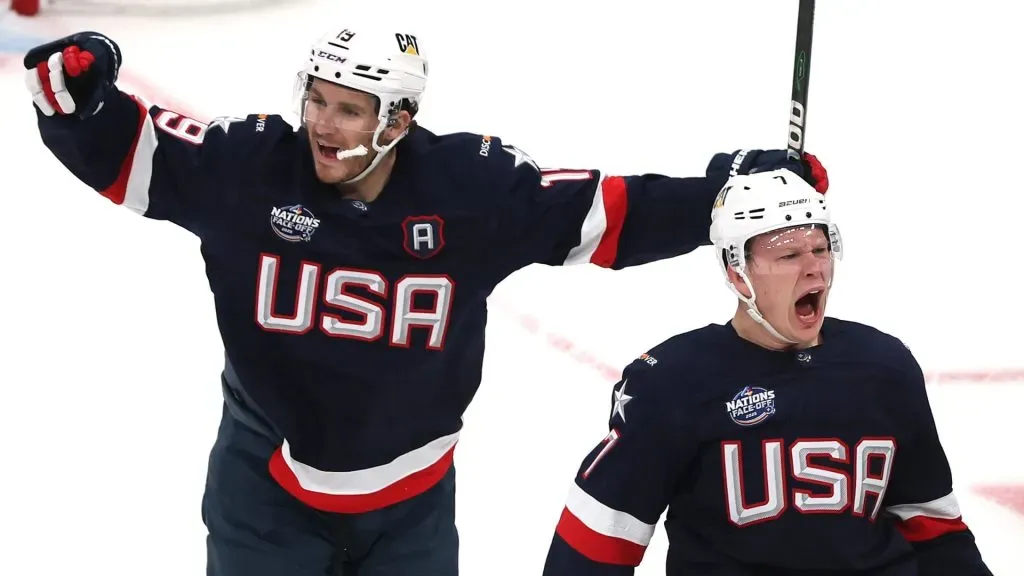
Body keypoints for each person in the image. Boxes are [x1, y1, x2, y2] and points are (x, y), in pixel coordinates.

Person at [23, 25, 829, 576]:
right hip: (263, 491)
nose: (322, 125)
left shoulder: (469, 192)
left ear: (399, 119)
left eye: (348, 109)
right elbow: (131, 153)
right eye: (317, 98)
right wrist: (74, 100)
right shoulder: (250, 166)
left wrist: (731, 188)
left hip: (410, 509)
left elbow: (608, 214)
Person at [540, 168, 992, 575]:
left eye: (820, 248)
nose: (814, 268)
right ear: (738, 274)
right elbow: (598, 541)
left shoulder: (883, 366)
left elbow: (934, 530)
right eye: (788, 255)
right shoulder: (674, 382)